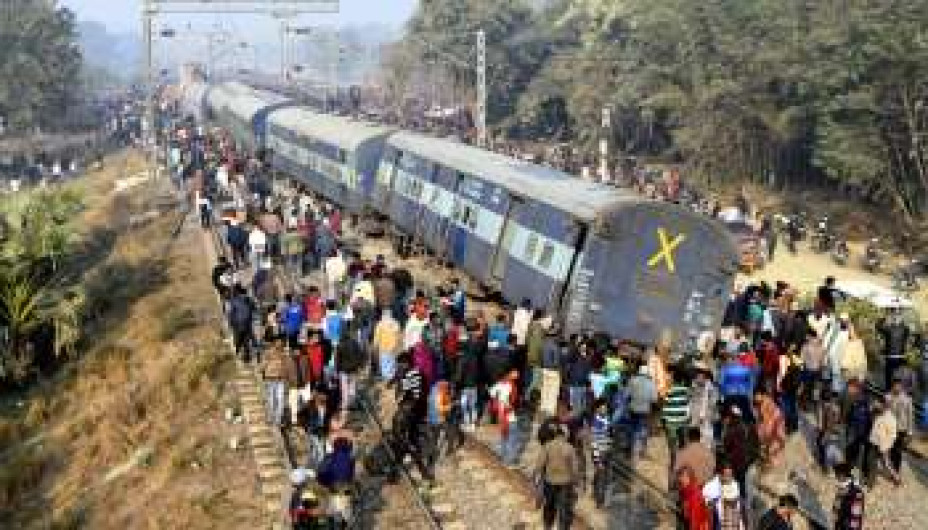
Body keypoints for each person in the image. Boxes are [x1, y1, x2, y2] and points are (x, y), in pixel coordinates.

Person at [534, 424, 580, 530]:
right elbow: (575, 469)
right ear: (565, 434)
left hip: (550, 482)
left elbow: (539, 465)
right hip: (565, 484)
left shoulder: (548, 446)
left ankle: (547, 526)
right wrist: (576, 484)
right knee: (564, 510)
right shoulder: (570, 448)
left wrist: (537, 482)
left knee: (549, 506)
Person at [489, 370, 520, 465]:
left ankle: (502, 457)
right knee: (512, 438)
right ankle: (508, 461)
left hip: (501, 414)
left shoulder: (500, 383)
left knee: (504, 437)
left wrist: (498, 400)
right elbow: (513, 402)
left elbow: (491, 392)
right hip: (509, 415)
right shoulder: (512, 386)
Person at [627, 363, 658, 458]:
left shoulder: (632, 381)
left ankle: (631, 448)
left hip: (633, 408)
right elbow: (654, 399)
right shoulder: (651, 383)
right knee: (642, 429)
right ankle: (641, 450)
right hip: (645, 410)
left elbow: (628, 394)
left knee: (632, 428)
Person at [868, 395, 900, 486]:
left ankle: (897, 478)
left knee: (886, 463)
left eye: (877, 404)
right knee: (872, 462)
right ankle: (871, 482)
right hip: (874, 442)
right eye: (875, 404)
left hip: (883, 445)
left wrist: (885, 447)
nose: (875, 405)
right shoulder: (877, 413)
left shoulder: (890, 418)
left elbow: (893, 436)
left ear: (882, 404)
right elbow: (872, 420)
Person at [662, 366, 691, 465]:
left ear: (674, 379)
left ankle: (674, 461)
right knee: (682, 442)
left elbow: (665, 404)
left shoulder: (669, 390)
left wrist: (664, 418)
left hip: (671, 421)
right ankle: (682, 460)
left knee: (672, 443)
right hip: (682, 420)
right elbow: (687, 403)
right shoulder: (686, 390)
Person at [877, 311, 911, 389]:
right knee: (898, 377)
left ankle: (889, 392)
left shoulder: (889, 329)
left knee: (889, 377)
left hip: (892, 357)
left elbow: (878, 326)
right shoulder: (905, 329)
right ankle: (896, 392)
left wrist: (883, 318)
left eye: (894, 317)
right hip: (900, 357)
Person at [887, 379, 913, 478]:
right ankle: (892, 468)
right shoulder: (888, 397)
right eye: (895, 385)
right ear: (892, 386)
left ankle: (896, 471)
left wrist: (910, 431)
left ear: (901, 387)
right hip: (890, 427)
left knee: (898, 451)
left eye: (899, 385)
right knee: (890, 449)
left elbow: (910, 416)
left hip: (901, 429)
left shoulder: (907, 399)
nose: (897, 387)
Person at [589, 399, 613, 508]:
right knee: (601, 477)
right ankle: (599, 501)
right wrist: (597, 459)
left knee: (603, 476)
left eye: (606, 408)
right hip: (600, 452)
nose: (605, 409)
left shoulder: (606, 419)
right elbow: (594, 441)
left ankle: (597, 495)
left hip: (607, 451)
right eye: (603, 407)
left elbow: (608, 434)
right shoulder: (596, 422)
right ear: (597, 408)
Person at [689, 362, 719, 447]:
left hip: (707, 421)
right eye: (696, 373)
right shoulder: (693, 387)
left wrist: (705, 414)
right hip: (695, 420)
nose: (697, 376)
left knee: (707, 442)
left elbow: (713, 404)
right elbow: (691, 402)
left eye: (699, 373)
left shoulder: (712, 388)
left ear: (705, 375)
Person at [755, 391, 786, 469]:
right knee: (769, 446)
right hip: (768, 432)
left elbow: (776, 418)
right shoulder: (760, 407)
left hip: (773, 431)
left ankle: (773, 461)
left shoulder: (770, 405)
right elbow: (761, 419)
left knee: (774, 447)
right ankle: (770, 460)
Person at [371, 309, 402, 381]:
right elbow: (398, 335)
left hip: (383, 346)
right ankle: (392, 375)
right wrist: (398, 344)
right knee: (392, 361)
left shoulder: (380, 324)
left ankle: (387, 378)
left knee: (384, 362)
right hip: (393, 346)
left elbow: (377, 336)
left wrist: (375, 345)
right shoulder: (395, 323)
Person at [832, 462, 864, 529]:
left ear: (842, 475)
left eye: (837, 475)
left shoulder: (856, 492)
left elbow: (856, 515)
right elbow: (836, 509)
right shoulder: (842, 489)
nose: (836, 477)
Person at [677, 466, 710, 530]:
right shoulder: (685, 492)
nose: (680, 479)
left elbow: (695, 519)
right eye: (680, 476)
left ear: (689, 477)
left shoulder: (694, 493)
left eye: (683, 477)